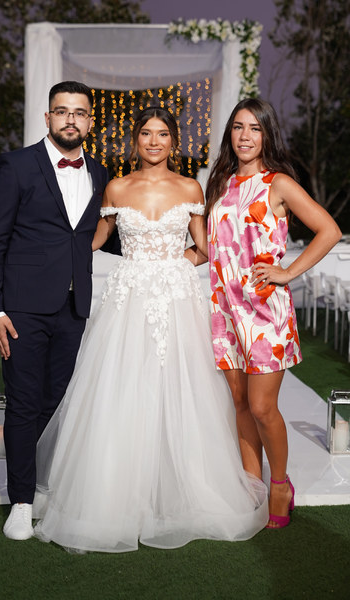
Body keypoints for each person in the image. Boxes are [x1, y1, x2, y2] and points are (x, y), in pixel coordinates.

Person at [32, 106, 269, 553]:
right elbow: (92, 239)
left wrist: (176, 264)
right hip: (128, 300)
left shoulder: (190, 187)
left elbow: (205, 247)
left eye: (162, 134)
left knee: (182, 389)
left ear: (174, 142)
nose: (154, 141)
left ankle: (181, 491)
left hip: (177, 299)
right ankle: (114, 495)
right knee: (122, 388)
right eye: (146, 134)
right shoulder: (117, 187)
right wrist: (43, 246)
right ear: (135, 140)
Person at [186, 98, 342, 529]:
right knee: (238, 403)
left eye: (255, 128)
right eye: (238, 127)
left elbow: (328, 230)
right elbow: (212, 249)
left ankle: (279, 483)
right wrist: (163, 263)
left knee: (261, 406)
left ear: (267, 135)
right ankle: (251, 488)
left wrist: (287, 271)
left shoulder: (278, 183)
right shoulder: (218, 184)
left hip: (264, 310)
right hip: (225, 309)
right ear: (229, 134)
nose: (245, 136)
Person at [0, 80, 120, 541]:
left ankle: (37, 481)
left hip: (74, 308)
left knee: (56, 401)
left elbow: (99, 235)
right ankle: (21, 501)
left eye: (79, 113)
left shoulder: (99, 172)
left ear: (90, 122)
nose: (70, 120)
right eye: (62, 111)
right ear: (48, 118)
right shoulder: (16, 165)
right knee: (22, 402)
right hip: (21, 309)